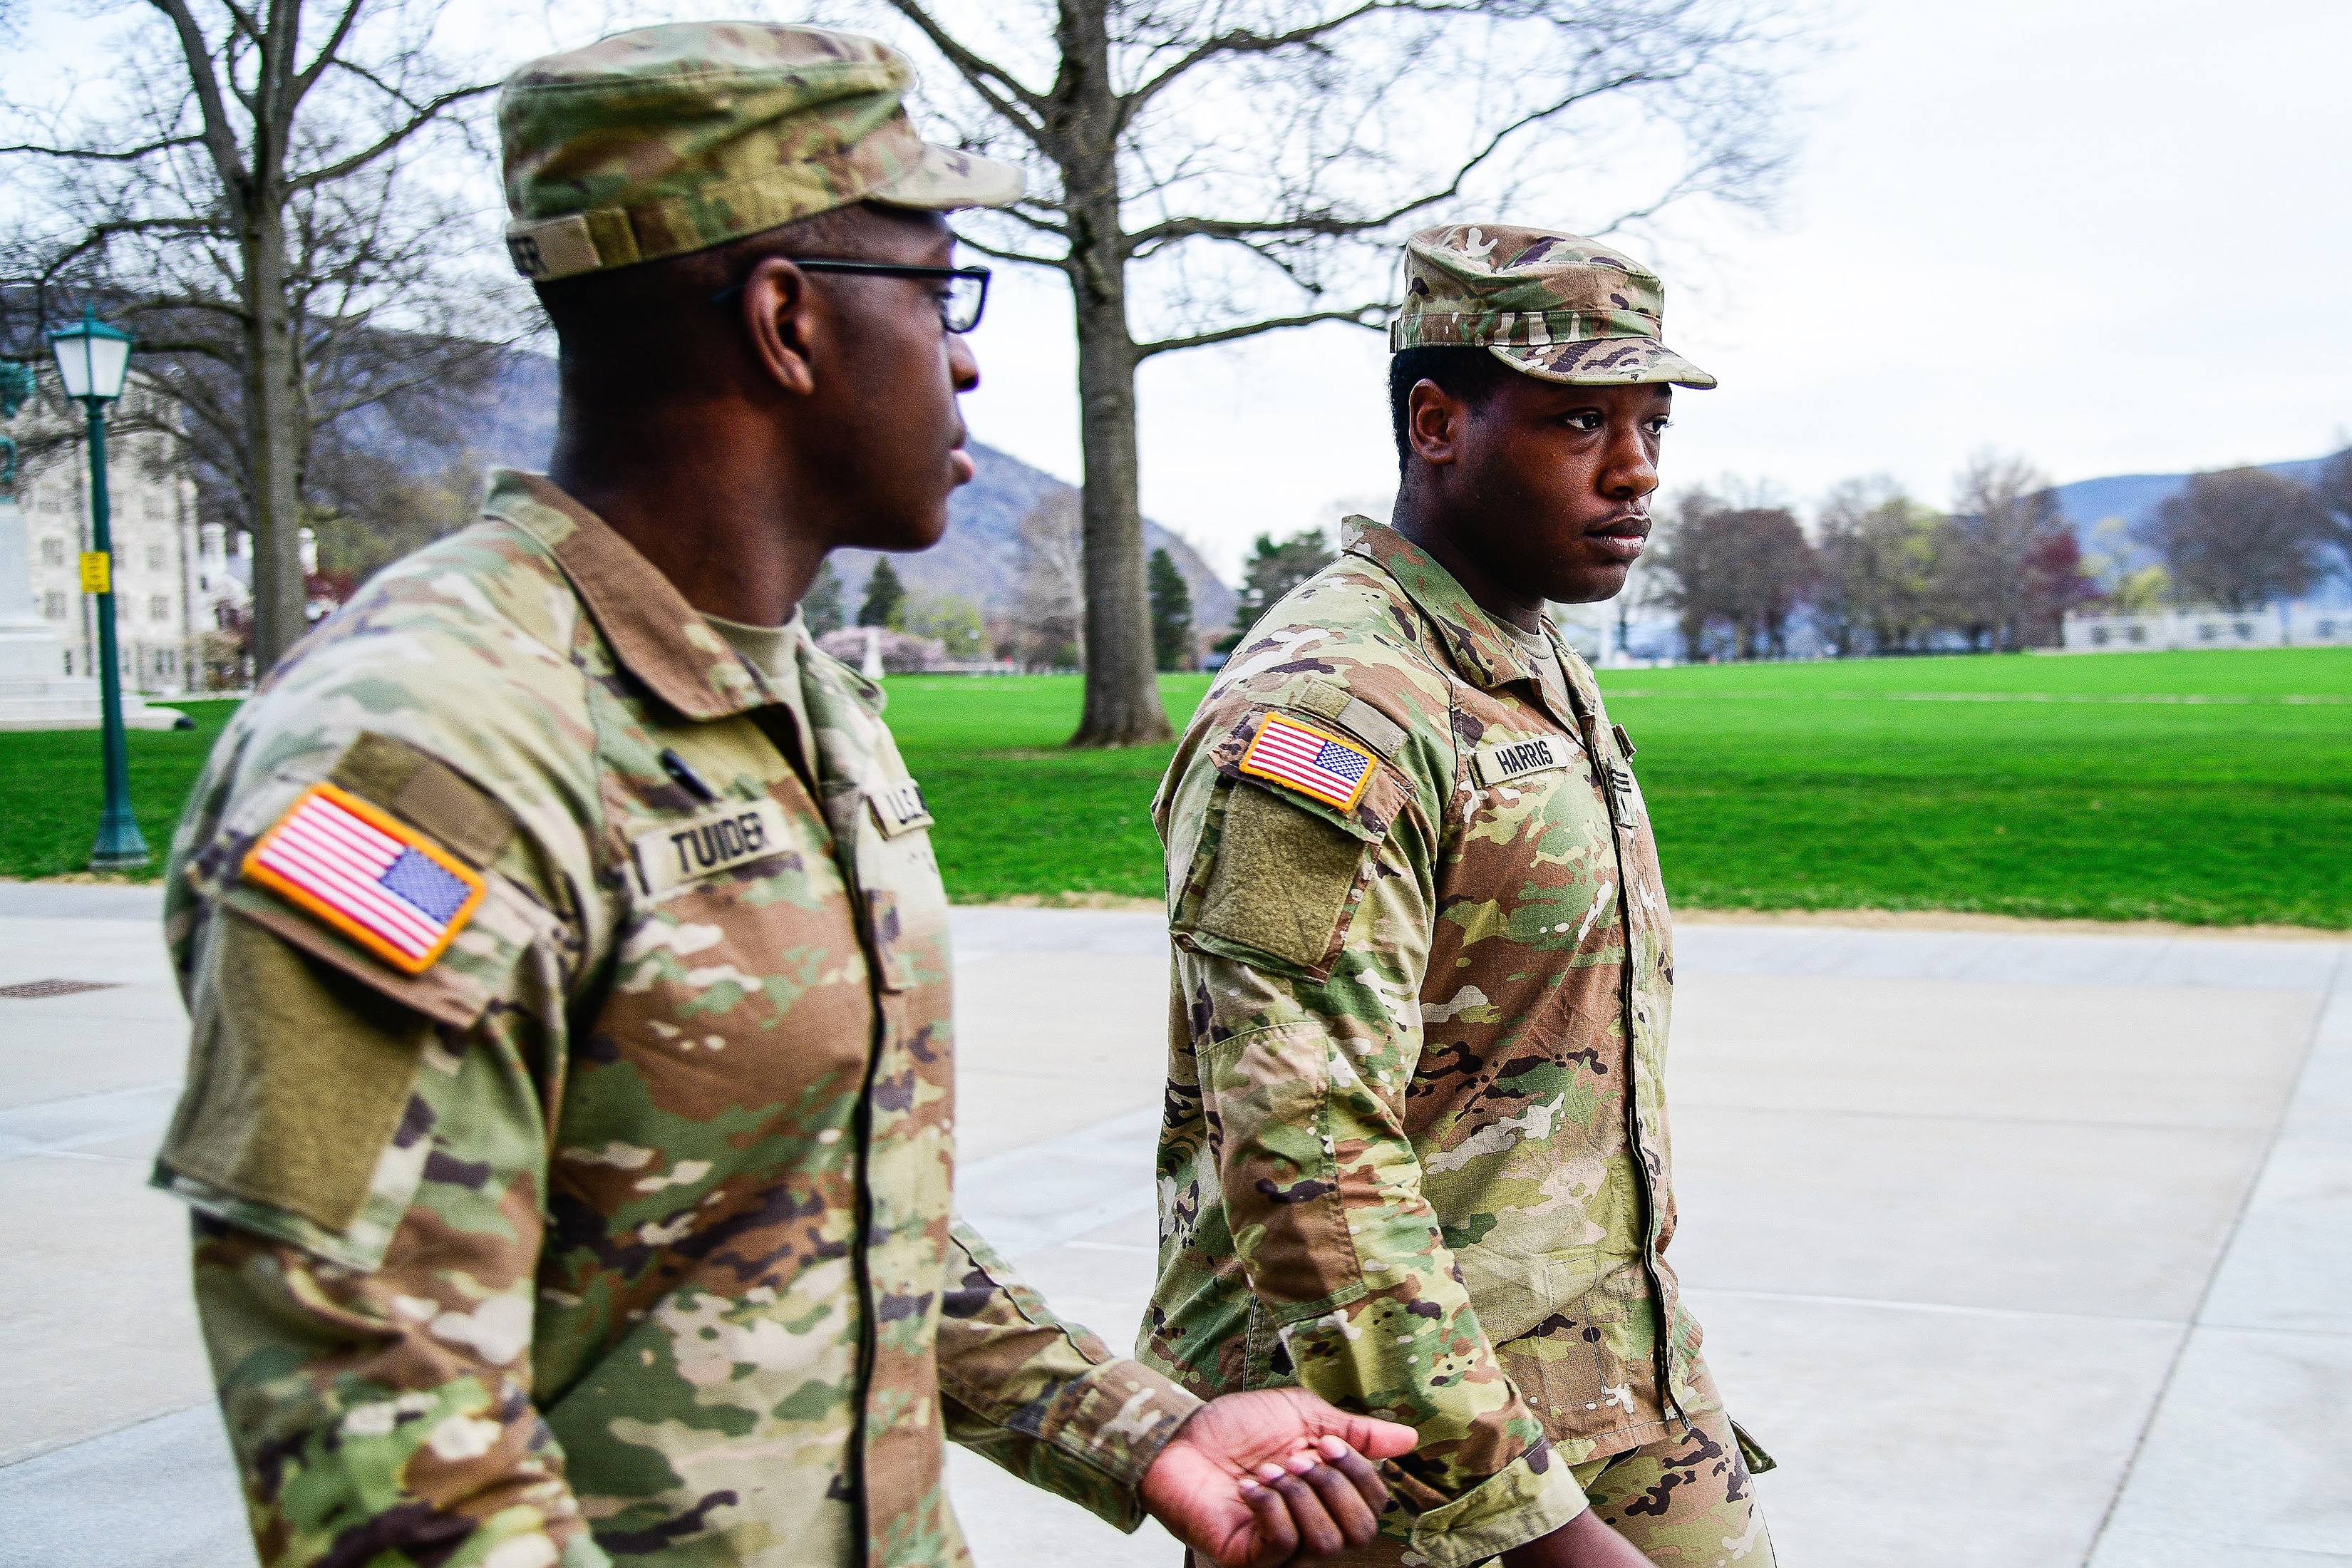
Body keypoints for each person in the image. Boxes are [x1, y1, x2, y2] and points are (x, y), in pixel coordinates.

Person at [151, 24, 1414, 1568]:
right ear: (787, 319)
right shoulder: (433, 745)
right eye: (943, 292)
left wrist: (1138, 1424)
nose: (965, 357)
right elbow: (377, 1423)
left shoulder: (798, 701)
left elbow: (805, 1207)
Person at [1140, 225, 1775, 1568]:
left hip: (1610, 1375)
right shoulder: (1335, 707)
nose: (1638, 470)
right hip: (1376, 1449)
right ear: (1436, 421)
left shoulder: (1519, 650)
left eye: (1653, 423)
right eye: (1579, 421)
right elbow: (1308, 1150)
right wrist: (1533, 1531)